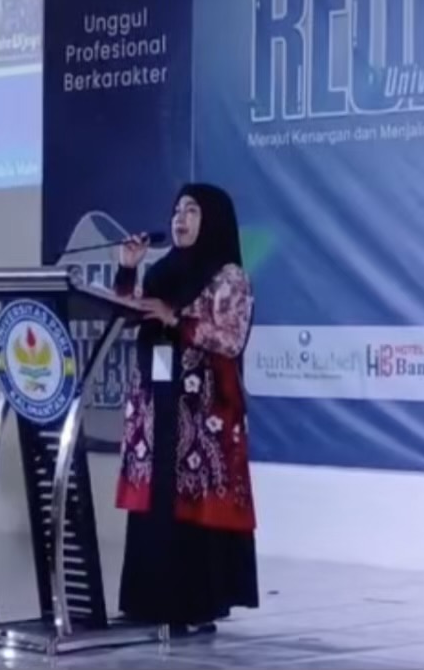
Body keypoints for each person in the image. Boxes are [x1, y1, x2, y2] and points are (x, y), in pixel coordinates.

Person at [112, 183, 258, 635]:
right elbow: (126, 318)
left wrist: (176, 319)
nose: (180, 218)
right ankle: (147, 602)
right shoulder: (160, 272)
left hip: (201, 415)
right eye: (176, 210)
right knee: (154, 507)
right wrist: (127, 270)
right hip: (155, 409)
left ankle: (194, 606)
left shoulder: (228, 276)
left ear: (212, 219)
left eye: (192, 210)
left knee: (193, 510)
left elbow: (230, 337)